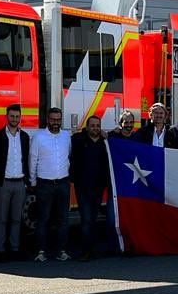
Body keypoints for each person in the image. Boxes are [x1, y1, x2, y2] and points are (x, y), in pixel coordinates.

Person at [29, 107, 72, 263]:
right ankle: (41, 251)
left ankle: (62, 251)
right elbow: (33, 160)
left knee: (63, 219)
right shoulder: (38, 137)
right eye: (53, 119)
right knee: (43, 219)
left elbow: (69, 156)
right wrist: (33, 181)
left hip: (63, 182)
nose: (56, 123)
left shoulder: (67, 136)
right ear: (47, 119)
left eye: (58, 119)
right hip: (44, 183)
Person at [70, 115, 114, 260]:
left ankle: (92, 249)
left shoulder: (104, 143)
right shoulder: (78, 140)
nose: (95, 128)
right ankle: (85, 251)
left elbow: (117, 146)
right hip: (82, 187)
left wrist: (107, 137)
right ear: (87, 127)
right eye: (92, 125)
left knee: (94, 219)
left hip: (98, 187)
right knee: (86, 219)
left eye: (97, 125)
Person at [0, 103, 30, 261]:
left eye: (17, 116)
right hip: (3, 183)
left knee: (16, 218)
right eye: (12, 116)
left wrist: (28, 181)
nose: (15, 119)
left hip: (20, 183)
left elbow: (27, 159)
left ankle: (15, 249)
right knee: (1, 218)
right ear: (7, 117)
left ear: (20, 117)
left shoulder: (25, 137)